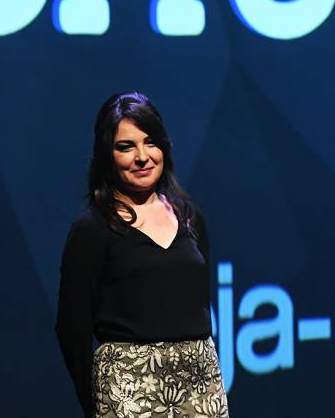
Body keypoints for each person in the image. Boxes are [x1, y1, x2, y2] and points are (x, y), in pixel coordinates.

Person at [56, 92, 229, 418]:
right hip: (128, 388)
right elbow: (71, 327)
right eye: (125, 147)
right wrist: (92, 404)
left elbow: (198, 304)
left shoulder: (190, 216)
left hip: (201, 384)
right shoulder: (92, 228)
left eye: (151, 142)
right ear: (106, 155)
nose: (142, 157)